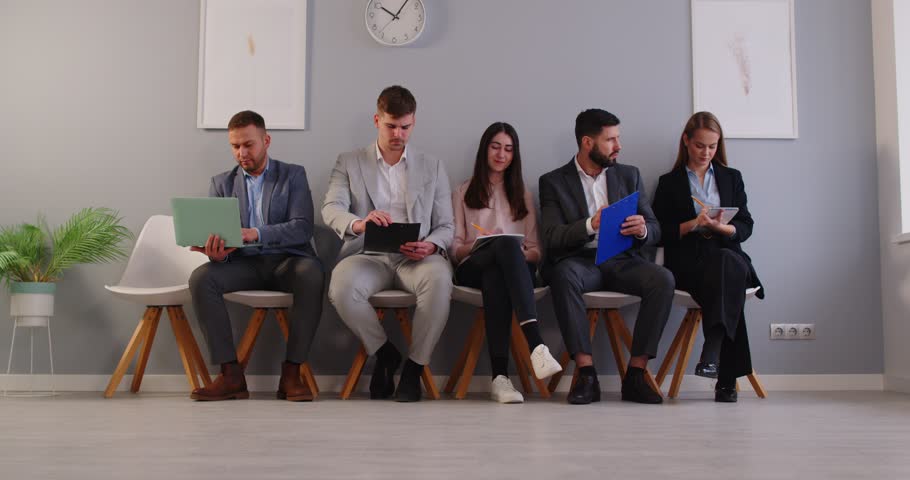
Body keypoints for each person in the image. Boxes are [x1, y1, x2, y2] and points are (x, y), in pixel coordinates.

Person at [322, 86, 454, 402]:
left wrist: (432, 246)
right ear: (377, 120)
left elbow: (447, 226)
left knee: (439, 280)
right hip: (367, 254)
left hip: (417, 257)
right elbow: (331, 208)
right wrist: (359, 223)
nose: (398, 133)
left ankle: (414, 368)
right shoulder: (349, 161)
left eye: (405, 127)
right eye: (390, 125)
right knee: (341, 287)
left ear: (413, 123)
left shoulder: (432, 165)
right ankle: (384, 352)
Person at [539, 109, 673, 405]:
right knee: (563, 276)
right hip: (582, 262)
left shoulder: (629, 175)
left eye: (618, 138)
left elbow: (655, 229)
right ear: (588, 142)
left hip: (623, 259)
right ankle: (586, 374)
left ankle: (636, 375)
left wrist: (641, 230)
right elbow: (551, 236)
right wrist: (591, 224)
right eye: (610, 139)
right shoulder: (553, 182)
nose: (618, 145)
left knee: (663, 279)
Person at [188, 110, 324, 402]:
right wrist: (216, 254)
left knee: (312, 274)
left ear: (266, 140)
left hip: (288, 261)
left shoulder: (293, 174)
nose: (241, 153)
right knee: (201, 278)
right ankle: (231, 376)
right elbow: (220, 236)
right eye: (235, 146)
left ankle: (292, 374)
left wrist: (255, 233)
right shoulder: (221, 183)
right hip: (244, 264)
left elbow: (301, 228)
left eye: (248, 144)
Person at [652, 111, 764, 403]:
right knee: (728, 280)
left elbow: (746, 225)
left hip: (727, 252)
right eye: (700, 145)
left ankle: (712, 351)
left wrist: (720, 227)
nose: (706, 152)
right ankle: (725, 377)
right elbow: (659, 233)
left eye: (712, 146)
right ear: (686, 141)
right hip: (690, 262)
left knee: (727, 265)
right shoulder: (669, 183)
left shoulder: (731, 177)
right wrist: (694, 225)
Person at [450, 122, 562, 404]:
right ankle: (536, 343)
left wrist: (512, 251)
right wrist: (482, 245)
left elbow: (536, 251)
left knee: (501, 266)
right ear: (485, 150)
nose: (502, 154)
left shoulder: (522, 194)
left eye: (508, 149)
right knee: (502, 247)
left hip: (512, 270)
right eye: (496, 147)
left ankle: (500, 378)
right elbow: (455, 249)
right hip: (473, 266)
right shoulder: (463, 192)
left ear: (515, 155)